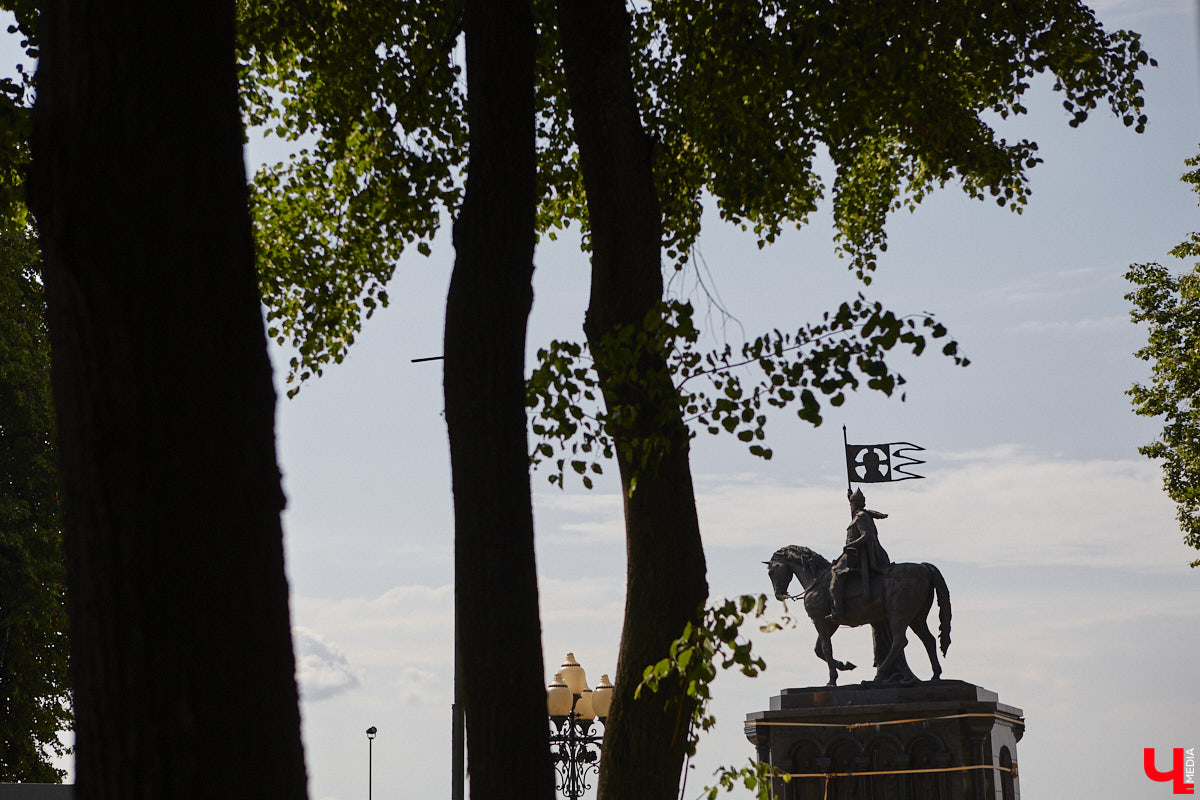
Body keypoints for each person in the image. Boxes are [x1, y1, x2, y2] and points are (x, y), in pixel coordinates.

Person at [826, 488, 891, 622]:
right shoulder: (861, 514)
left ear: (854, 505)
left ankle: (838, 611)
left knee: (836, 579)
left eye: (851, 504)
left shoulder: (861, 516)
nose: (850, 507)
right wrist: (849, 497)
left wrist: (850, 545)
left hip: (858, 553)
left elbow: (867, 536)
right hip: (855, 552)